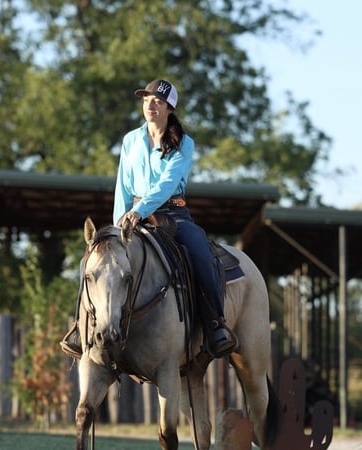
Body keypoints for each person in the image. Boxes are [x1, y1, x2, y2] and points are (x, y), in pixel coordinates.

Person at [60, 78, 236, 359]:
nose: (150, 105)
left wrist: (139, 211)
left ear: (169, 108)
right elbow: (123, 185)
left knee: (201, 253)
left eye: (157, 101)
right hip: (131, 219)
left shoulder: (184, 143)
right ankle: (81, 328)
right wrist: (119, 226)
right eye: (146, 100)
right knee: (93, 260)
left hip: (173, 215)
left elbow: (168, 183)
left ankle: (216, 324)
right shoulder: (130, 140)